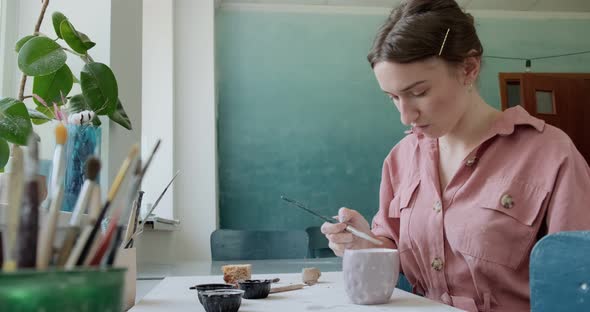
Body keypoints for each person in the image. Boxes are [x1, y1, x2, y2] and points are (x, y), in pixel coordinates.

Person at [321, 0, 590, 311]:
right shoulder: (401, 158)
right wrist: (362, 242)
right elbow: (395, 256)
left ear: (469, 69)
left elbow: (577, 282)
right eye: (393, 97)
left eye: (419, 92)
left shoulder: (551, 154)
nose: (405, 116)